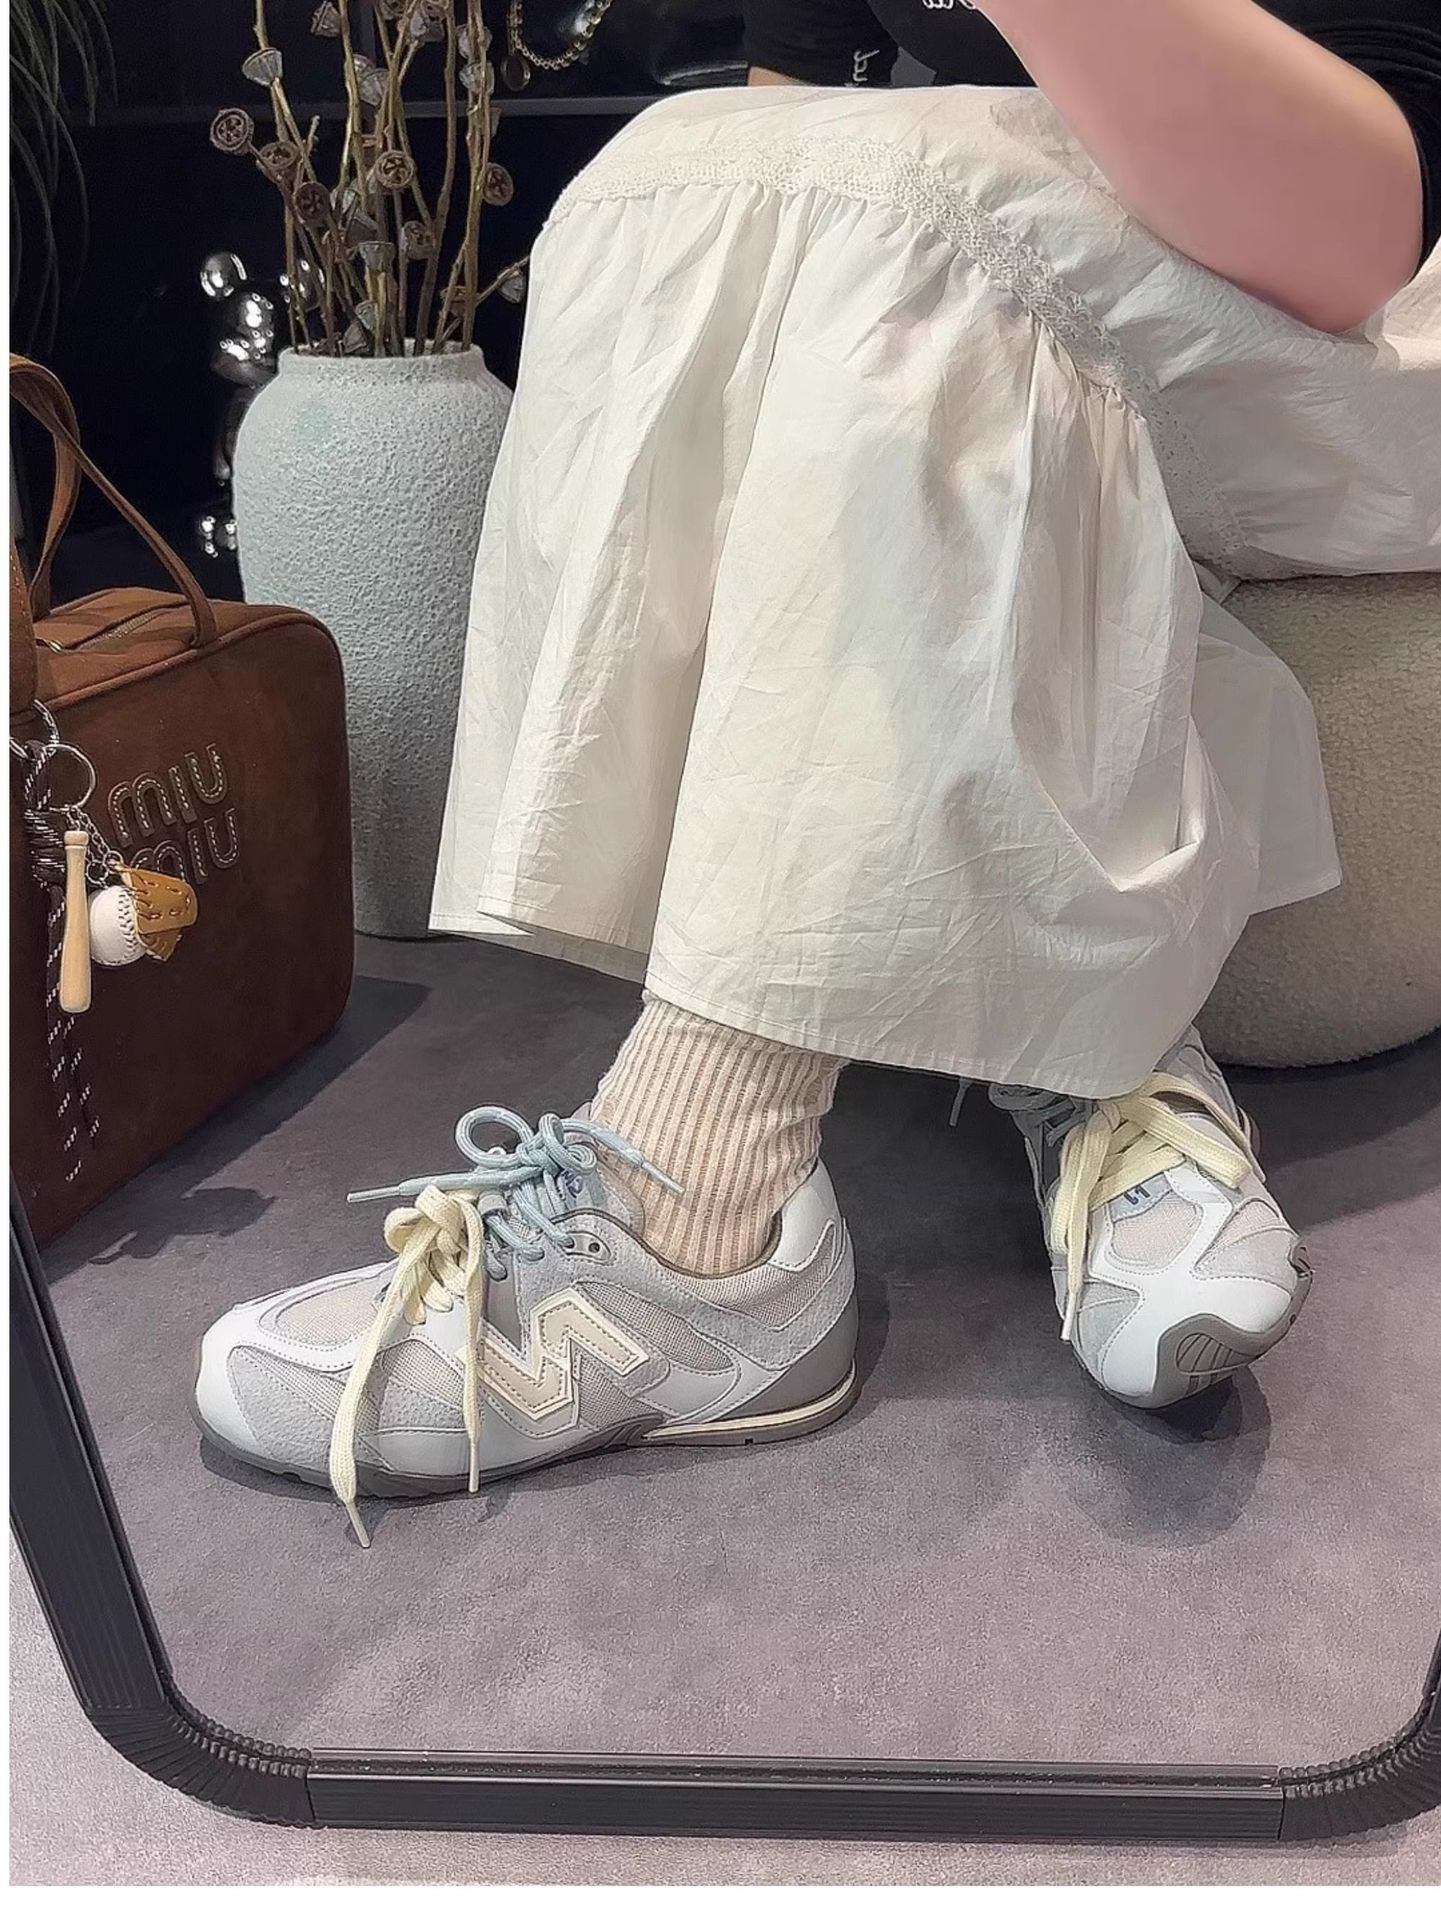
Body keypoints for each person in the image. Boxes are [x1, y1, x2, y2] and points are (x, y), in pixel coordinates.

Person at [194, 1, 1441, 1544]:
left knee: (916, 215)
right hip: (1058, 340)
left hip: (1362, 347)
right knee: (682, 163)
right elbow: (786, 192)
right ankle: (1101, 1052)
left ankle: (695, 1217)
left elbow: (1358, 246)